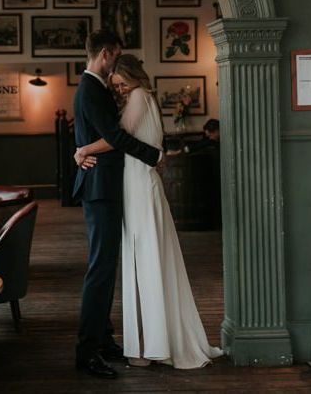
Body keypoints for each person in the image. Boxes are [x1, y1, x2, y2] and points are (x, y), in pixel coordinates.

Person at [76, 55, 223, 369]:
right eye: (116, 86)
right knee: (143, 258)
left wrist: (84, 149)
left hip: (139, 186)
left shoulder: (140, 96)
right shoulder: (143, 97)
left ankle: (151, 344)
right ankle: (148, 340)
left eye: (121, 84)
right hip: (136, 183)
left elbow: (118, 138)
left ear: (133, 78)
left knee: (146, 259)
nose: (119, 90)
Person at [72, 31, 162, 379]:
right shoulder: (91, 89)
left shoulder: (92, 88)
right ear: (106, 53)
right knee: (100, 270)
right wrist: (153, 155)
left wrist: (81, 150)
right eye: (116, 57)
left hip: (105, 186)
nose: (115, 69)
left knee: (106, 269)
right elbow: (115, 137)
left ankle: (105, 340)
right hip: (101, 190)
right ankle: (87, 351)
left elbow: (95, 137)